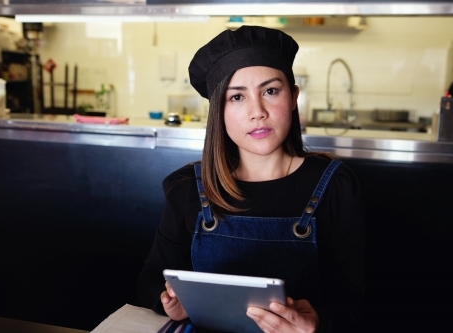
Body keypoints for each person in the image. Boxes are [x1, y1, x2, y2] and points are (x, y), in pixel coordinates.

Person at [138, 25, 365, 333]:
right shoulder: (188, 188)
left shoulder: (335, 186)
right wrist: (167, 300)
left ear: (294, 97)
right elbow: (151, 277)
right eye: (236, 97)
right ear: (218, 111)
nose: (257, 112)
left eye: (270, 91)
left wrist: (318, 322)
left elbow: (358, 301)